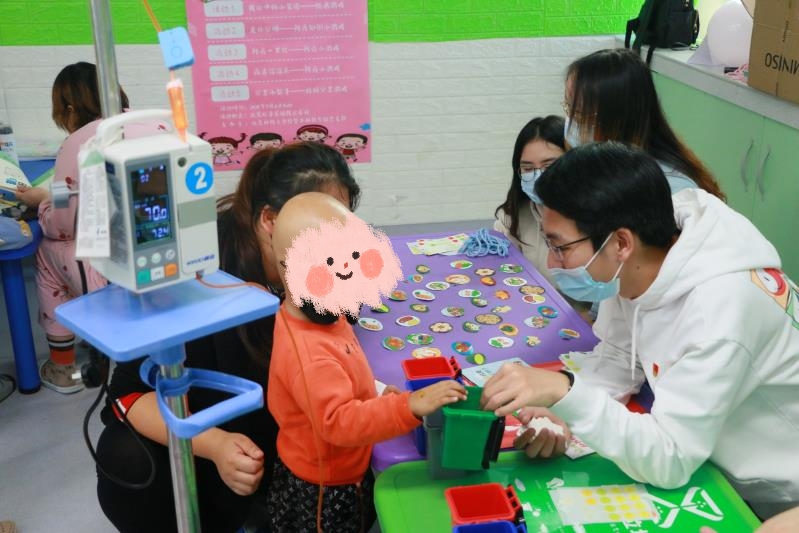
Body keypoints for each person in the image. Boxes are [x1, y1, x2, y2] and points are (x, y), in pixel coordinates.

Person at [481, 142, 799, 520]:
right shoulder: (643, 258)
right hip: (716, 456)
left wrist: (566, 391)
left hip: (778, 492)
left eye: (560, 246)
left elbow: (671, 459)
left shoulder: (718, 313)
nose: (552, 262)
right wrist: (565, 409)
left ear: (621, 243)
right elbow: (618, 355)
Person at [95, 143, 363, 532]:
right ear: (269, 219)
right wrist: (215, 445)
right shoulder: (201, 271)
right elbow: (129, 396)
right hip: (204, 430)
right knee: (127, 457)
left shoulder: (324, 264)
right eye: (324, 228)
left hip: (271, 439)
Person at [267, 192, 468, 532]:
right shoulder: (310, 354)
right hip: (326, 489)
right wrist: (408, 407)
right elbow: (339, 422)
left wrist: (373, 397)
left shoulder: (317, 310)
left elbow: (342, 374)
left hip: (339, 465)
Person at [14, 62, 128, 393]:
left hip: (106, 270)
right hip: (158, 255)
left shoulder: (77, 143)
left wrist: (42, 202)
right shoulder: (150, 125)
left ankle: (63, 368)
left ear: (70, 108)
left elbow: (62, 224)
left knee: (47, 248)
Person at [562, 47, 725, 200]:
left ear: (618, 118)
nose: (572, 121)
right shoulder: (607, 162)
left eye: (579, 112)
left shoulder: (673, 190)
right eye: (568, 105)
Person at [494, 115, 565, 280]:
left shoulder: (595, 217)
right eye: (528, 168)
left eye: (549, 166)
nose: (539, 177)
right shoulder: (513, 217)